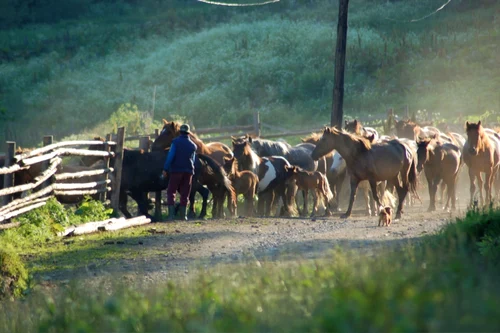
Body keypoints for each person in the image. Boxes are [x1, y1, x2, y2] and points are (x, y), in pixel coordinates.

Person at [162, 124, 197, 221]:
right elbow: (193, 160)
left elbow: (170, 156)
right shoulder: (193, 145)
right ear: (188, 133)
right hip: (188, 171)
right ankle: (183, 216)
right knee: (185, 193)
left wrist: (165, 168)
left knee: (171, 191)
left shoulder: (175, 142)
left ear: (180, 132)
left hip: (176, 170)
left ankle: (171, 215)